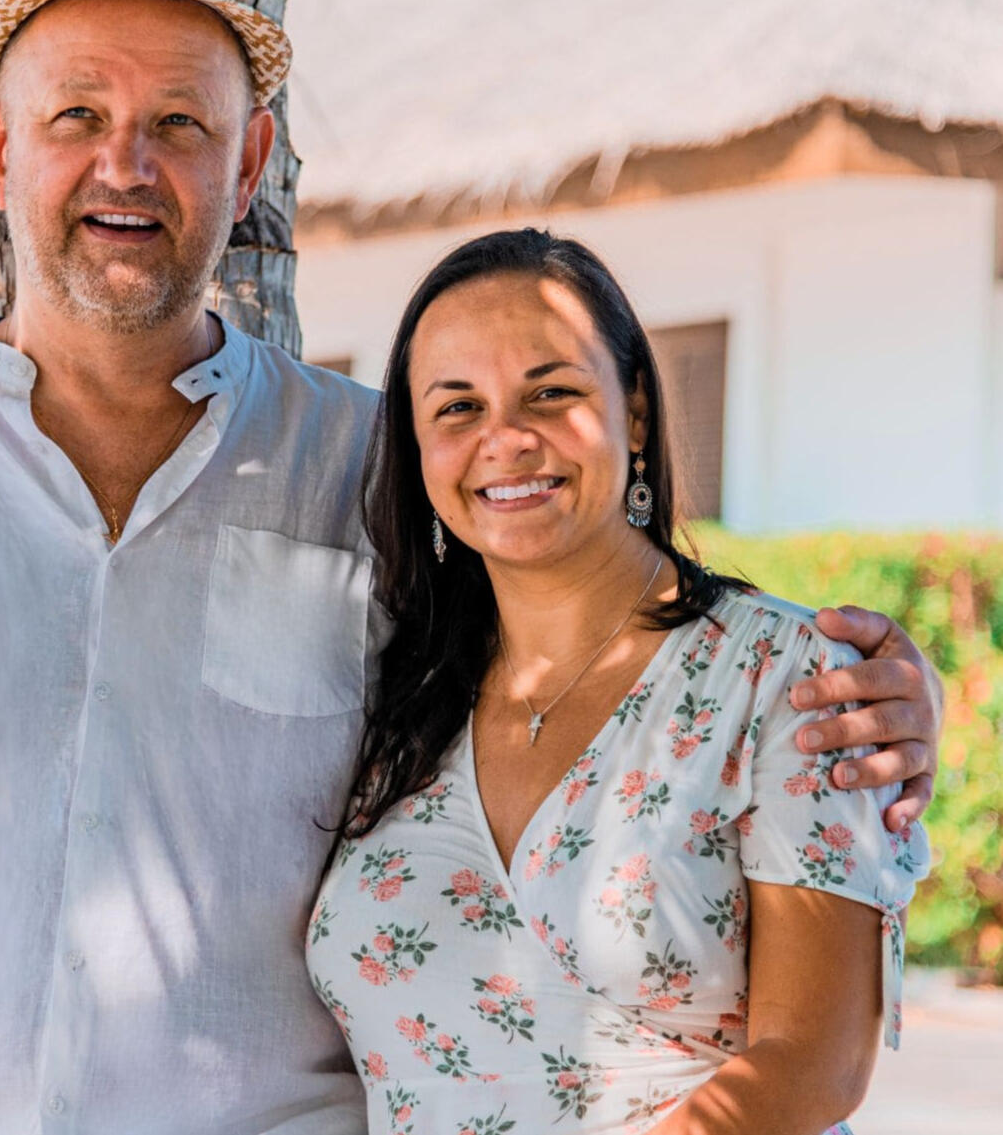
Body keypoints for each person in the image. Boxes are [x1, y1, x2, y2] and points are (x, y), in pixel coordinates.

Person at [0, 0, 940, 1135]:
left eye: (180, 121)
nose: (128, 163)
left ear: (249, 163)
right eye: (78, 115)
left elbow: (600, 652)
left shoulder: (375, 470)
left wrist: (869, 694)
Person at [307, 230, 930, 1135]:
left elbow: (814, 1063)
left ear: (634, 412)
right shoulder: (395, 686)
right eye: (457, 406)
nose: (505, 438)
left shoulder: (784, 675)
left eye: (550, 392)